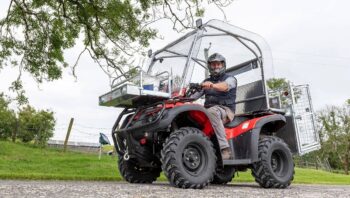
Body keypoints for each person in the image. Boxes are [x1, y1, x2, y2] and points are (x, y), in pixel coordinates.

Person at [191, 53, 237, 160]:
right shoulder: (206, 81)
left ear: (223, 65)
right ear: (210, 66)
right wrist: (181, 96)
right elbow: (194, 97)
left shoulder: (230, 79)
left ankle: (225, 149)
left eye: (218, 64)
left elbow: (225, 87)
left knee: (212, 112)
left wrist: (211, 85)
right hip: (208, 110)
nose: (215, 67)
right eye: (213, 65)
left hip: (226, 110)